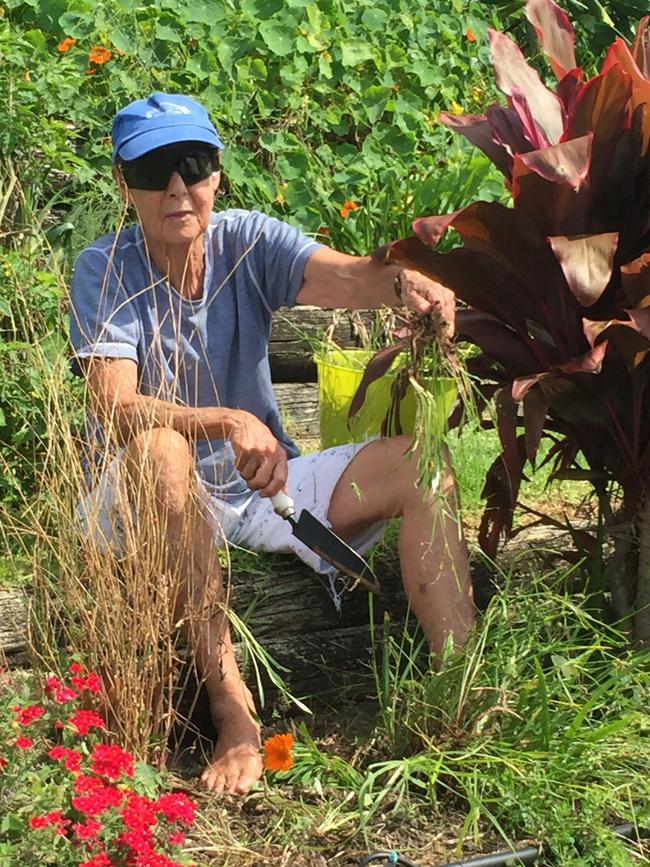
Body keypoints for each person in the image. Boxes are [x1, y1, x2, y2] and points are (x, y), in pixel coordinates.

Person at [69, 92, 475, 796]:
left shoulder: (247, 241)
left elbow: (349, 276)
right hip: (135, 503)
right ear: (122, 183)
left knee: (421, 463)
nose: (176, 186)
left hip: (256, 490)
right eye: (154, 168)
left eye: (191, 163)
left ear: (217, 173)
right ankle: (238, 720)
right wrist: (225, 421)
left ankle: (464, 698)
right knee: (165, 452)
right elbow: (116, 406)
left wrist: (410, 283)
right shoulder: (102, 268)